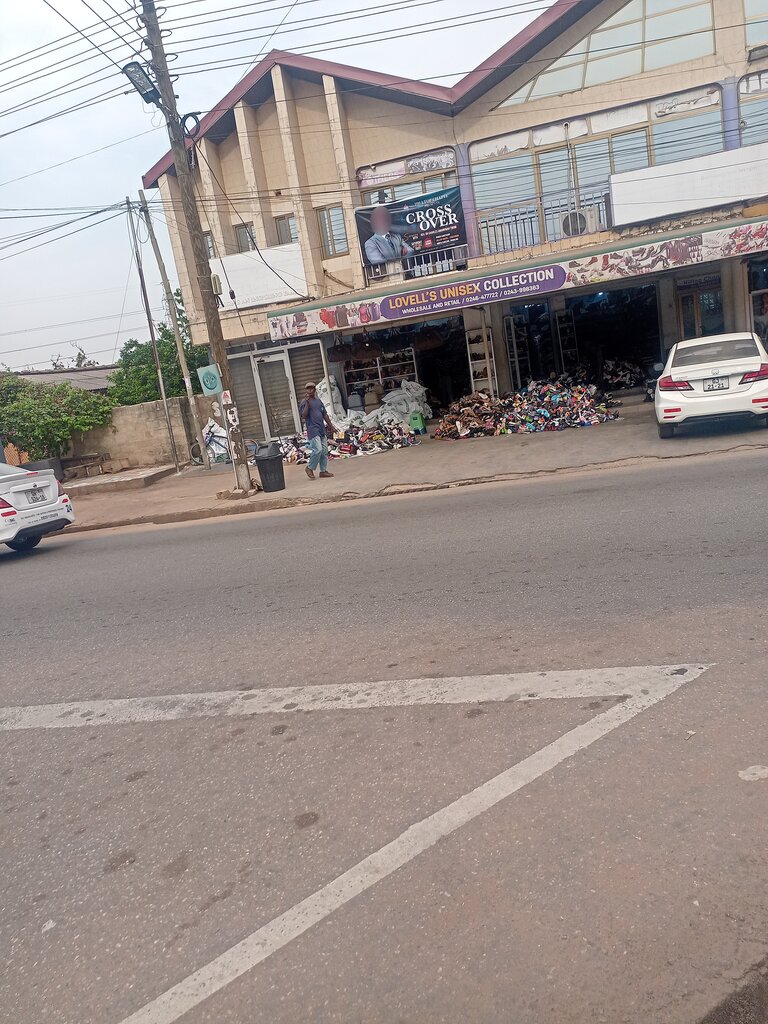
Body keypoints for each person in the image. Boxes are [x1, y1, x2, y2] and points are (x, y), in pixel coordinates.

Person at [299, 382, 336, 479]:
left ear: (315, 390)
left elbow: (325, 415)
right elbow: (304, 416)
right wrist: (307, 403)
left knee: (324, 451)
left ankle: (323, 471)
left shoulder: (319, 402)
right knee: (318, 449)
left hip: (321, 429)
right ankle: (309, 468)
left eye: (311, 388)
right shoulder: (304, 402)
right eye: (308, 389)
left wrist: (331, 426)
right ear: (306, 390)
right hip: (313, 429)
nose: (310, 390)